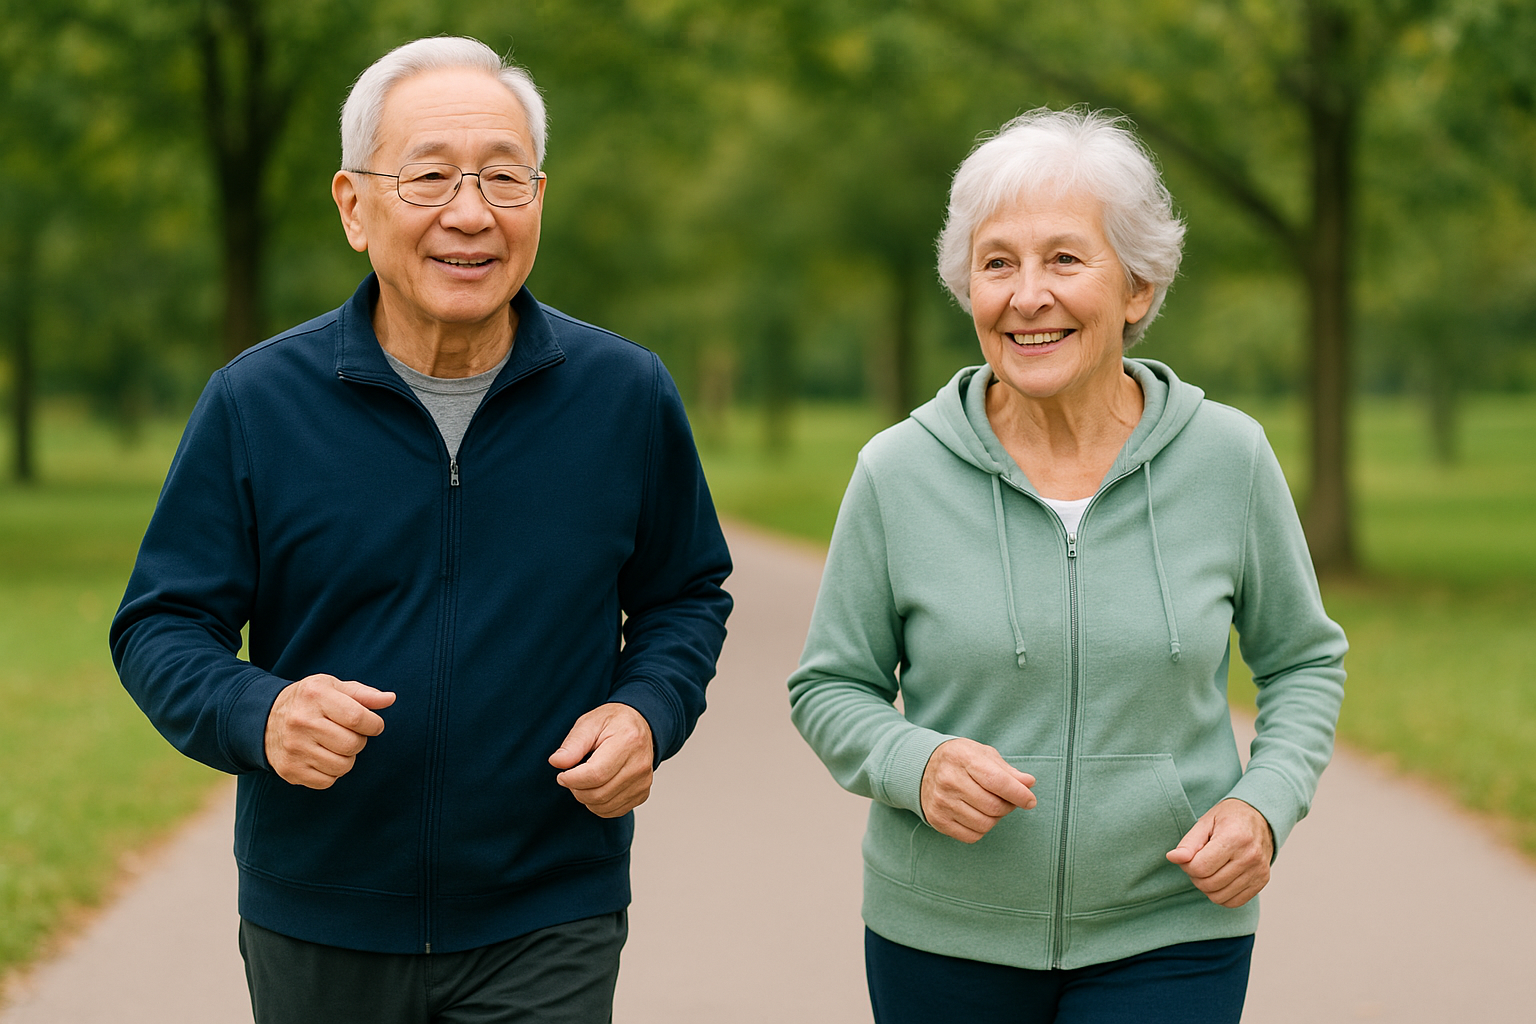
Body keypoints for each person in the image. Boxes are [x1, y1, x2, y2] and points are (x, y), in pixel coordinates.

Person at [110, 36, 732, 1024]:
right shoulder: (255, 403)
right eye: (432, 176)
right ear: (355, 206)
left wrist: (648, 710)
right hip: (318, 914)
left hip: (549, 908)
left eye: (503, 177)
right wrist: (254, 710)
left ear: (539, 199)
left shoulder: (626, 395)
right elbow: (160, 622)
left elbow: (684, 593)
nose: (471, 213)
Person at [787, 108, 1346, 1023]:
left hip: (1174, 930)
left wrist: (1265, 806)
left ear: (1137, 287)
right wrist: (910, 761)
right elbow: (830, 686)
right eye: (996, 263)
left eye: (1064, 259)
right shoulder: (898, 471)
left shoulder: (1228, 459)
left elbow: (1303, 660)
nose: (1026, 295)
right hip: (941, 935)